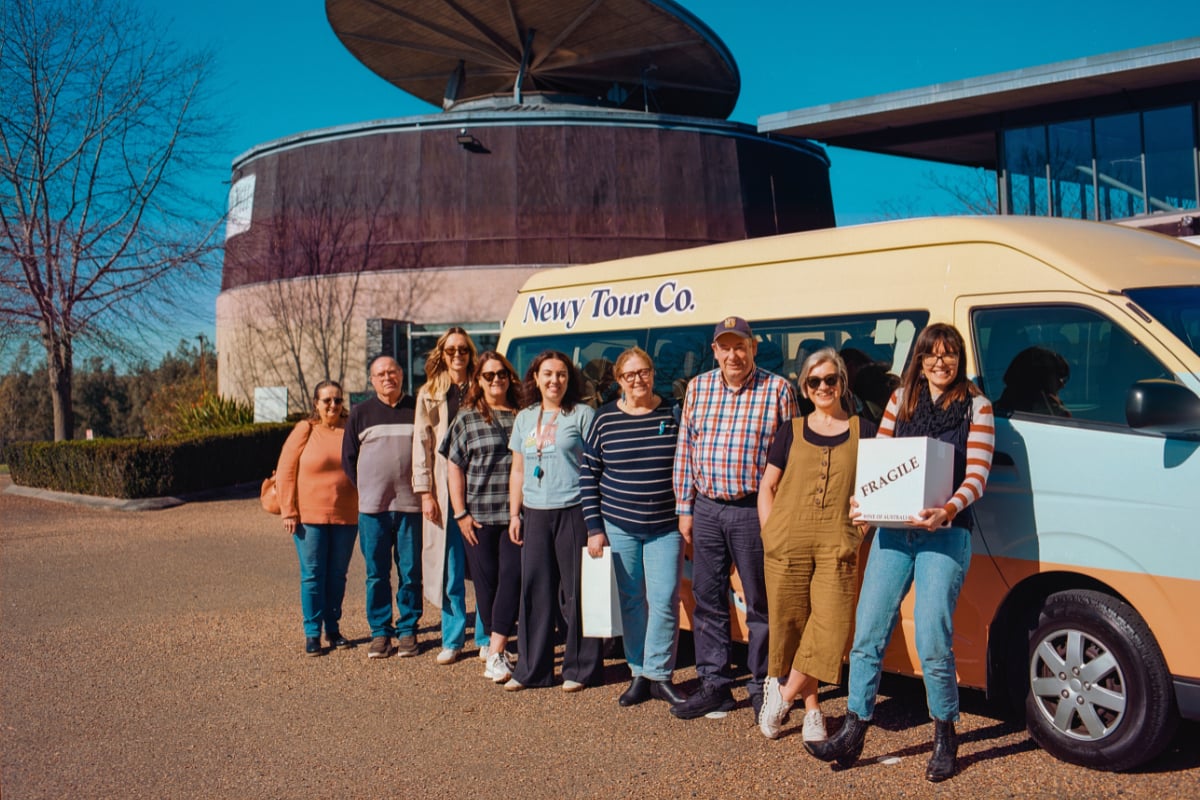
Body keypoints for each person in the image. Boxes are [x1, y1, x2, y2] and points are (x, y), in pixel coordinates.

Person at [806, 323, 995, 783]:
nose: (940, 363)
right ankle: (854, 727)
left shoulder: (977, 406)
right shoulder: (900, 400)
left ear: (959, 360)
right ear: (920, 359)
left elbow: (978, 475)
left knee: (932, 638)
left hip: (944, 535)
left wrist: (947, 508)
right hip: (893, 534)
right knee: (867, 633)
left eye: (949, 355)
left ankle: (945, 733)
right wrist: (864, 502)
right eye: (932, 355)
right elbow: (881, 461)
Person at [671, 316, 798, 719]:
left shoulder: (778, 389)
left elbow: (791, 460)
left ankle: (764, 682)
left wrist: (779, 516)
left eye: (740, 346)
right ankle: (715, 683)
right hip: (707, 508)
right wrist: (685, 508)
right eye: (724, 347)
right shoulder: (698, 387)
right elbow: (685, 450)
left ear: (754, 348)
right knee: (708, 599)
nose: (733, 355)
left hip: (753, 512)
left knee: (760, 602)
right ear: (714, 351)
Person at [755, 350, 876, 741]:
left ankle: (783, 694)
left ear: (842, 382)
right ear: (805, 387)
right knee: (792, 625)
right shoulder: (791, 429)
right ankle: (812, 712)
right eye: (814, 381)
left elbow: (880, 490)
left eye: (830, 380)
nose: (823, 387)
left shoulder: (866, 430)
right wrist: (769, 534)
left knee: (832, 626)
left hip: (837, 542)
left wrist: (862, 531)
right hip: (787, 541)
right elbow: (767, 487)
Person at [580, 347, 689, 708]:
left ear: (653, 374)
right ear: (619, 381)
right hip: (619, 524)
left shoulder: (673, 413)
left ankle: (660, 674)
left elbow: (688, 465)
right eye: (630, 375)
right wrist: (594, 527)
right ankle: (639, 671)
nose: (638, 380)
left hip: (665, 525)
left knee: (665, 600)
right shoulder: (604, 419)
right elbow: (588, 474)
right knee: (631, 601)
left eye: (644, 372)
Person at [504, 350, 602, 692]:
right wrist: (514, 513)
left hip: (573, 509)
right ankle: (532, 670)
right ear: (535, 378)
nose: (554, 380)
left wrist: (595, 521)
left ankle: (581, 667)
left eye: (561, 374)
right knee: (535, 590)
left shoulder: (582, 415)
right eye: (547, 374)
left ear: (569, 379)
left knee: (577, 592)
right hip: (535, 513)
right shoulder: (524, 418)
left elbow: (594, 469)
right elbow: (517, 469)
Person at [440, 351, 524, 684]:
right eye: (488, 375)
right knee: (487, 585)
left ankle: (497, 648)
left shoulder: (523, 415)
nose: (495, 380)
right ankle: (494, 645)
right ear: (479, 380)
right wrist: (460, 513)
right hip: (479, 516)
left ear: (509, 377)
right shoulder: (466, 417)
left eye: (501, 374)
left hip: (516, 514)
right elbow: (454, 466)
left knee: (512, 578)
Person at [413, 327, 489, 665]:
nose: (457, 356)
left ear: (470, 353)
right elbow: (422, 444)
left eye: (463, 350)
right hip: (445, 489)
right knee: (450, 568)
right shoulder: (430, 393)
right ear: (442, 354)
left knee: (486, 566)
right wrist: (425, 492)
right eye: (451, 350)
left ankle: (488, 637)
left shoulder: (484, 386)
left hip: (484, 488)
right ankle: (454, 637)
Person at [341, 355, 423, 660]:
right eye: (380, 374)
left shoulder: (417, 409)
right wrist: (366, 488)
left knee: (410, 571)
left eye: (392, 372)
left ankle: (408, 630)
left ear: (401, 375)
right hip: (372, 508)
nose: (387, 377)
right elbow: (348, 458)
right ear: (372, 380)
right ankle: (380, 632)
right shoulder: (360, 413)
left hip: (410, 506)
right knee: (376, 572)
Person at [276, 380, 359, 656]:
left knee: (337, 576)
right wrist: (289, 510)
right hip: (309, 517)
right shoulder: (306, 429)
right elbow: (286, 470)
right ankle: (312, 633)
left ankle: (333, 628)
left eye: (337, 400)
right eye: (327, 401)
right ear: (316, 403)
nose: (333, 405)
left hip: (346, 514)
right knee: (312, 575)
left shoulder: (351, 428)